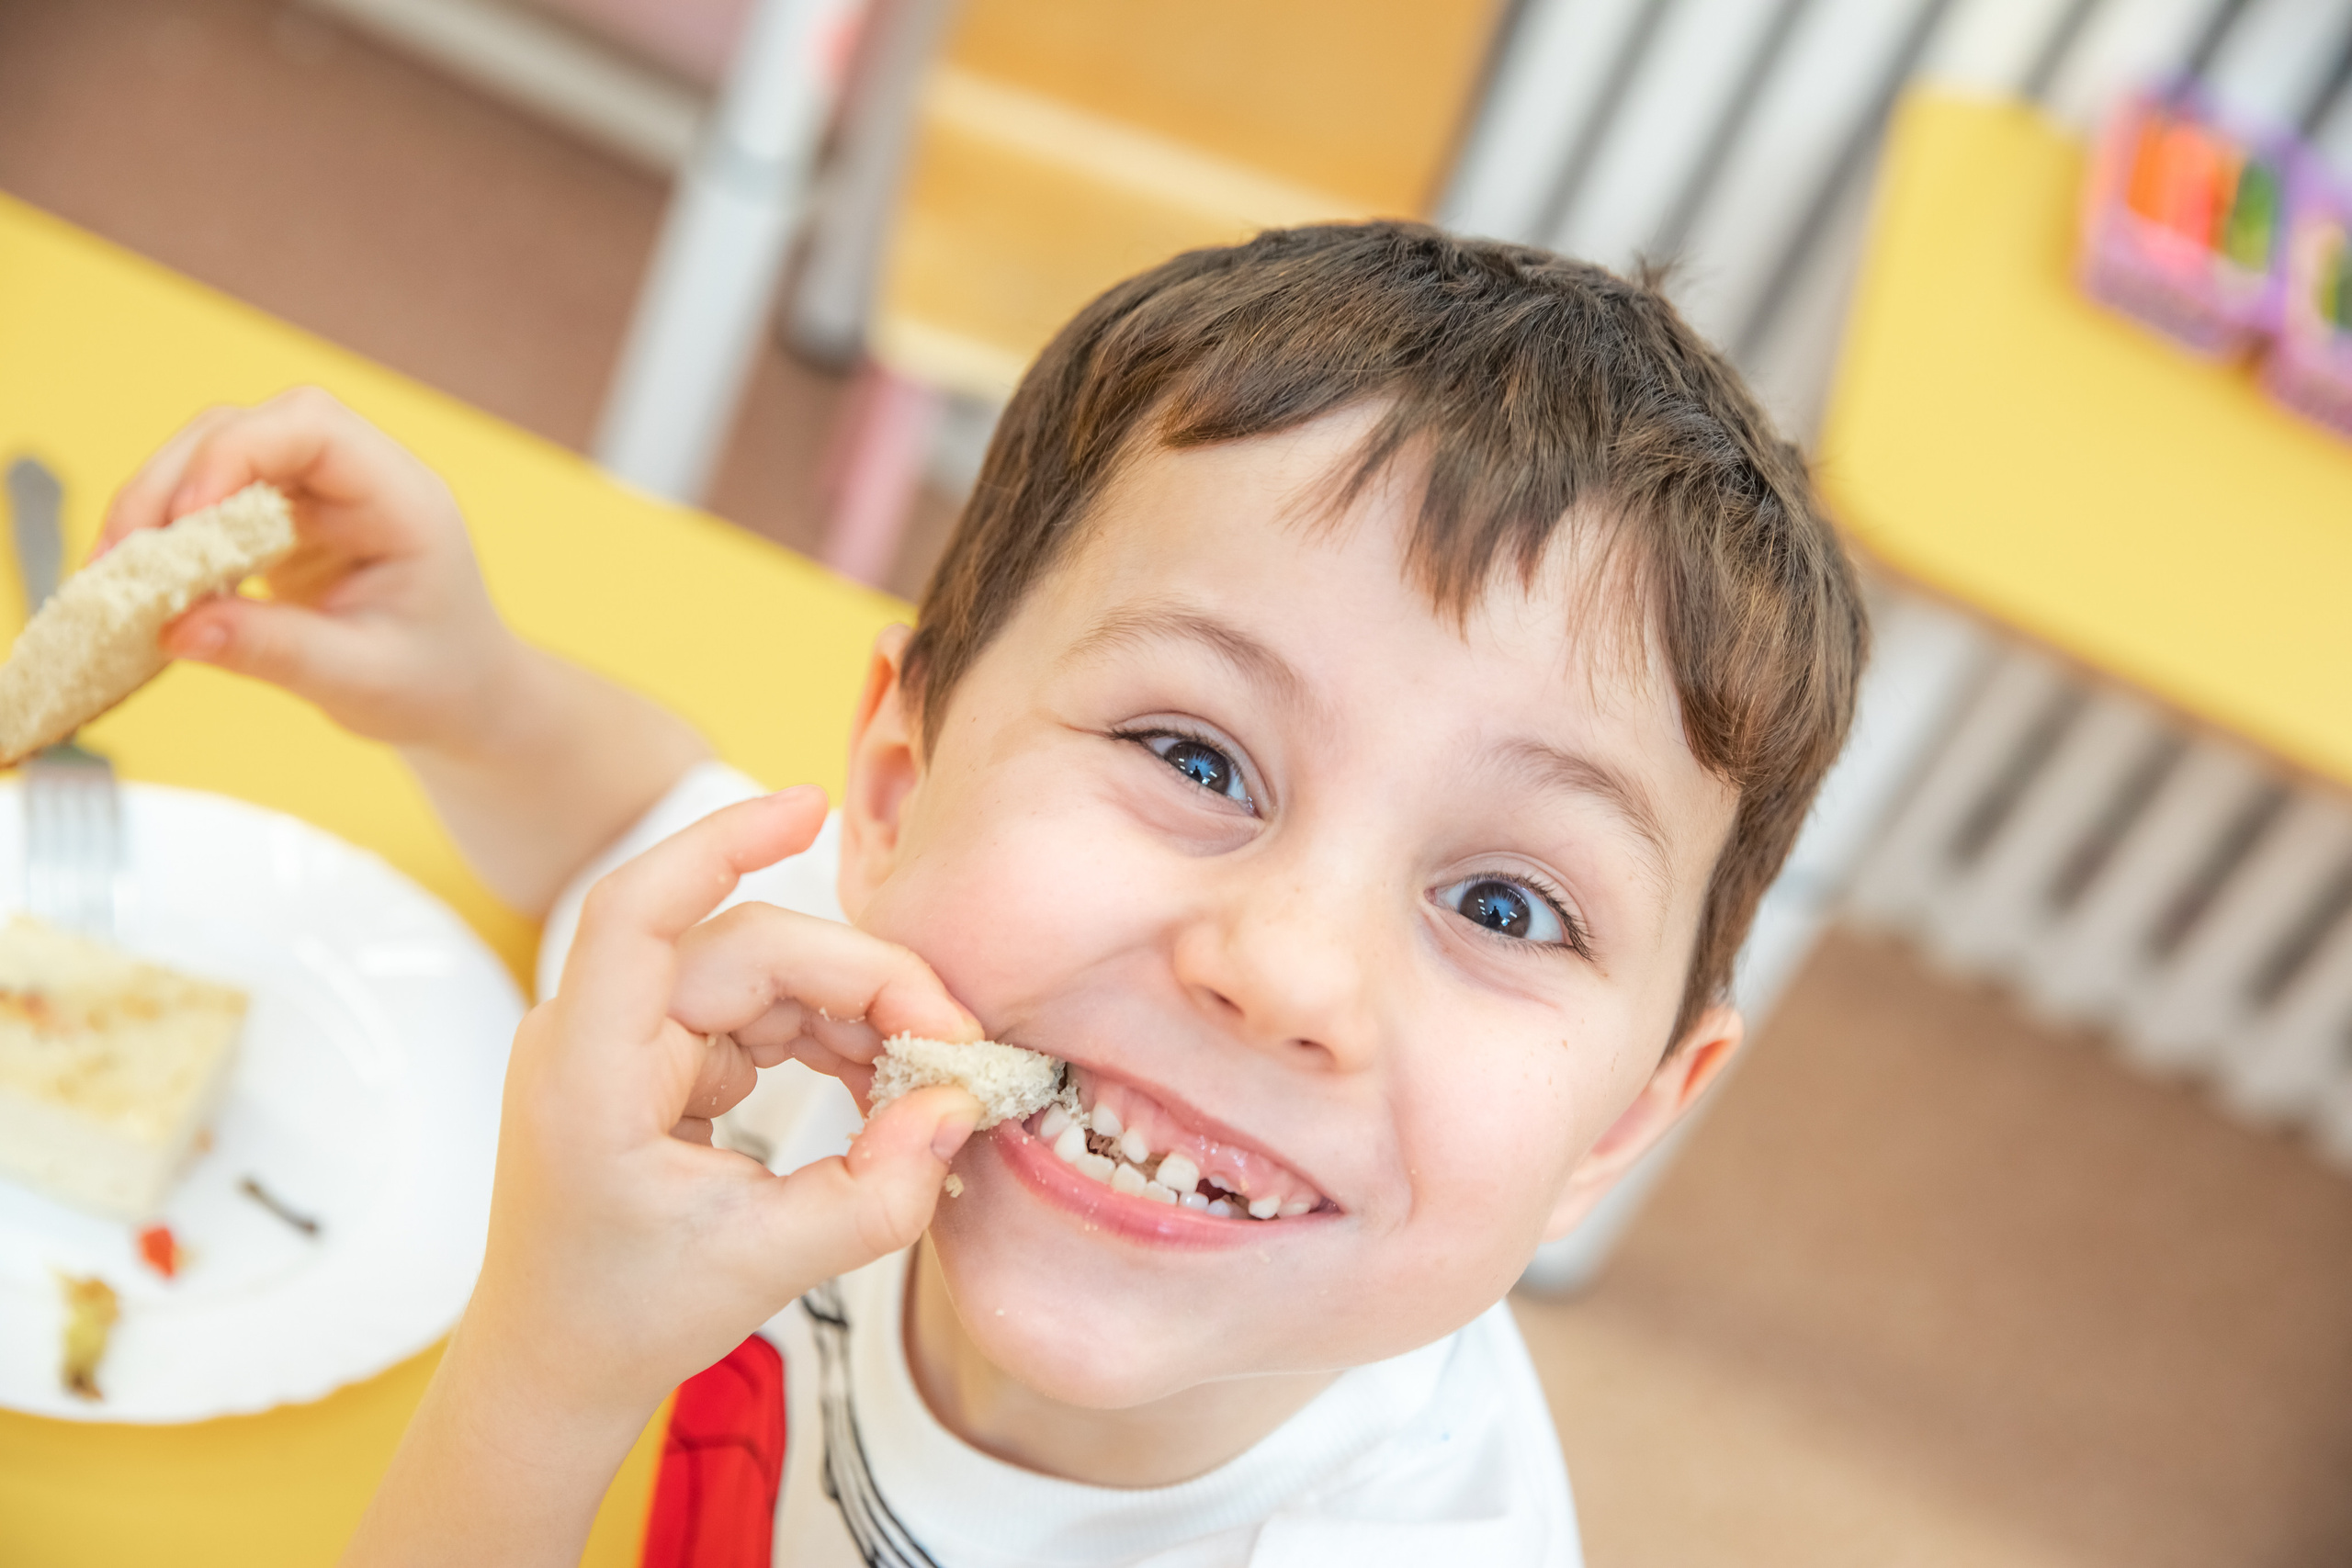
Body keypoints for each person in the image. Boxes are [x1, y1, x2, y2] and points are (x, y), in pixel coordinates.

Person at [106, 221, 1865, 1566]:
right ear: (896, 790)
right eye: (1195, 756)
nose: (1286, 969)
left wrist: (541, 1374)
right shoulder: (850, 1013)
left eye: (1504, 908)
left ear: (1626, 1121)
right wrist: (461, 685)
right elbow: (619, 829)